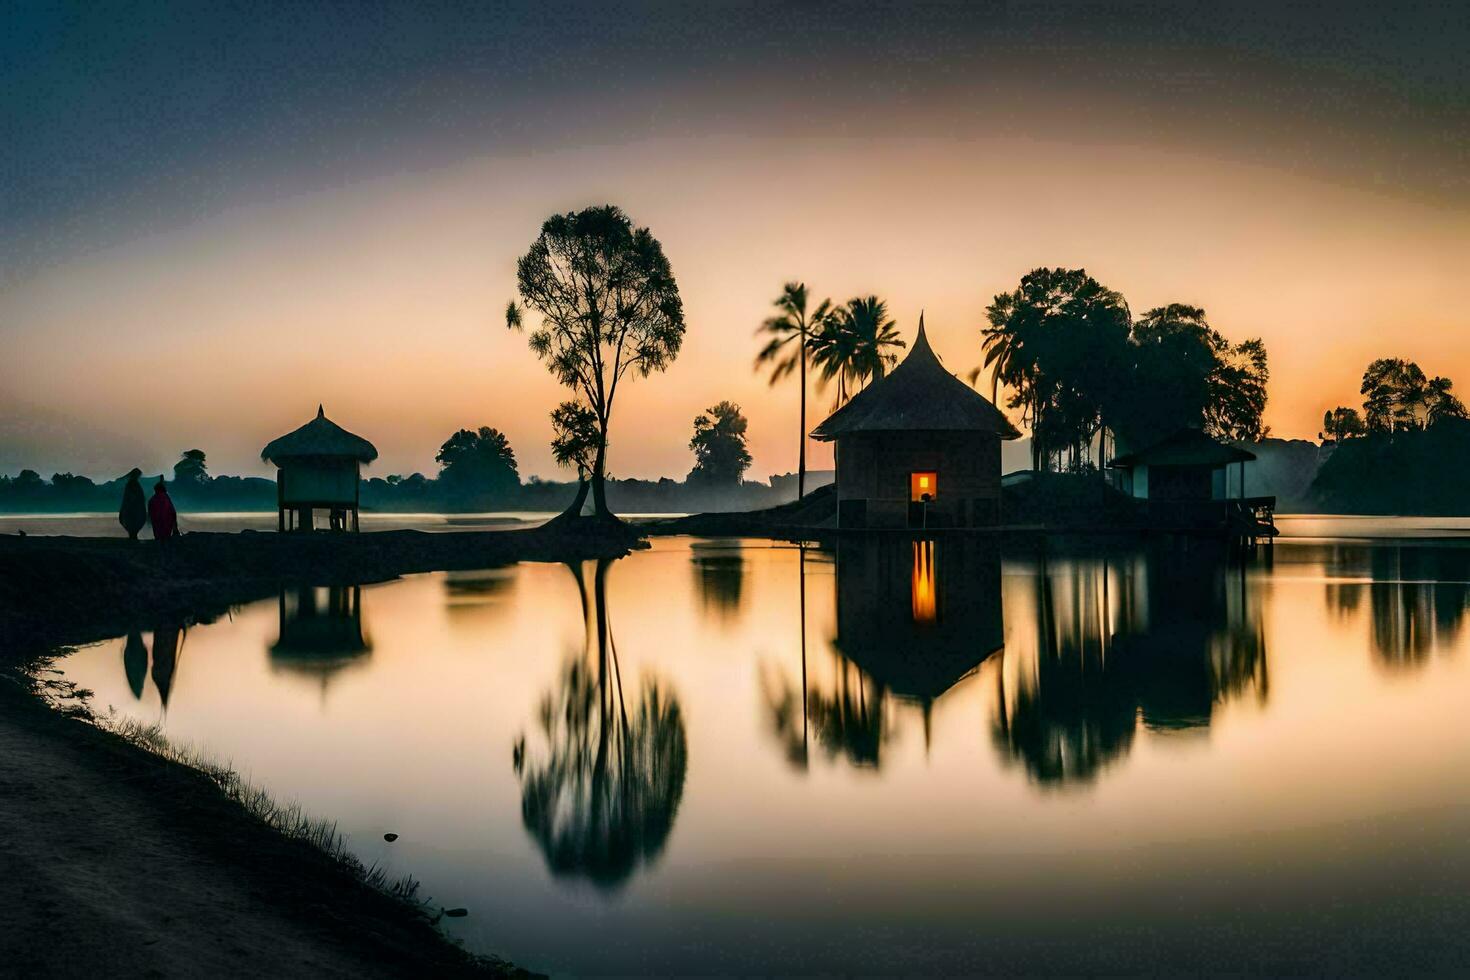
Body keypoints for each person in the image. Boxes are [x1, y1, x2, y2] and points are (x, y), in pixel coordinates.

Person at [119, 468, 147, 541]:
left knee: (132, 524)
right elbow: (133, 499)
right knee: (134, 524)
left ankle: (132, 536)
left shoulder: (131, 485)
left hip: (131, 510)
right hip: (133, 510)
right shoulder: (133, 485)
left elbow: (127, 500)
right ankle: (133, 536)